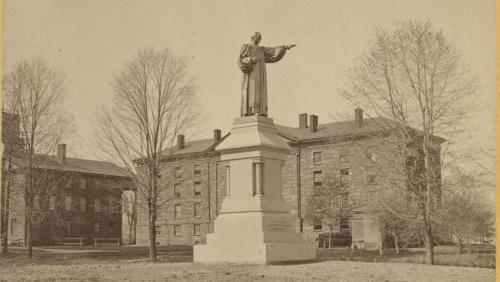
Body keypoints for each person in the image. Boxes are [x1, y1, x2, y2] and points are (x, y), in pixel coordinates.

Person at [238, 32, 296, 117]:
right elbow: (240, 60)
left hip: (261, 73)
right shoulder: (247, 47)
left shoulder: (261, 49)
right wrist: (251, 59)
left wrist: (285, 47)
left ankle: (258, 111)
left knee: (259, 90)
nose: (260, 39)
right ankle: (250, 111)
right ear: (254, 37)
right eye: (259, 37)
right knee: (252, 91)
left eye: (260, 38)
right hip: (252, 73)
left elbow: (272, 51)